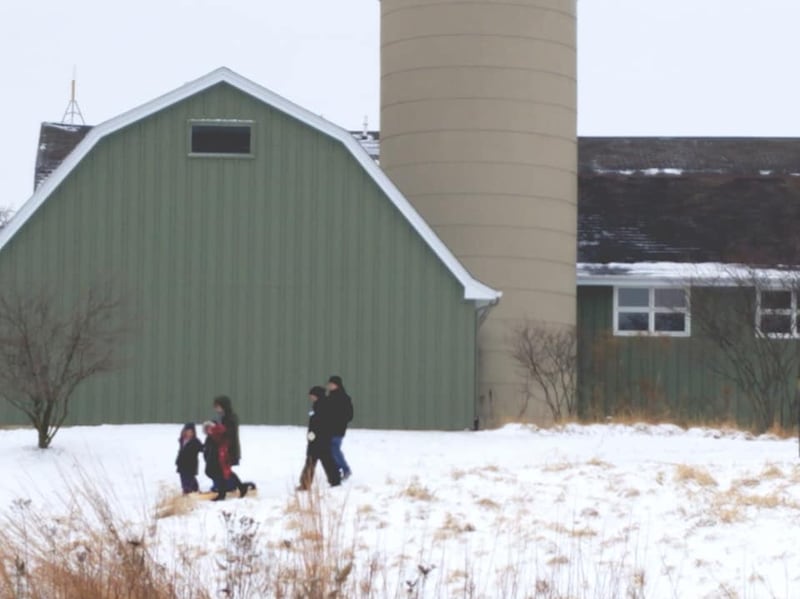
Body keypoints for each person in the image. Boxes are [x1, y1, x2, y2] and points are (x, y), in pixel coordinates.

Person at [206, 395, 251, 501]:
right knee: (222, 471)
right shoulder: (221, 417)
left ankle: (224, 492)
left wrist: (217, 430)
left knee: (222, 471)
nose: (216, 408)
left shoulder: (230, 418)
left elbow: (228, 433)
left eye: (218, 406)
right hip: (221, 448)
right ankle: (238, 487)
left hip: (227, 449)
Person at [297, 386, 341, 491]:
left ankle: (305, 484)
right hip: (322, 439)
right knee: (326, 460)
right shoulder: (321, 405)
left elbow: (317, 425)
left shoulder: (321, 407)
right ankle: (335, 480)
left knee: (311, 462)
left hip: (318, 440)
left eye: (312, 395)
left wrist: (311, 437)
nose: (311, 397)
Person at [327, 375, 353, 480]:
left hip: (338, 428)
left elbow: (349, 415)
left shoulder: (344, 398)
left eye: (332, 384)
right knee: (330, 450)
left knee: (334, 449)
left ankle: (345, 469)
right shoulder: (329, 398)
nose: (330, 386)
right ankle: (337, 470)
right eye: (329, 384)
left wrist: (340, 421)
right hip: (328, 428)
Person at [175, 422, 203, 494]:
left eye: (191, 432)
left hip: (191, 464)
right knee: (184, 479)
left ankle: (191, 490)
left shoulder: (195, 441)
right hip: (182, 464)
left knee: (190, 478)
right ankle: (189, 490)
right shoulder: (182, 440)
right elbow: (181, 452)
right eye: (187, 432)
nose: (189, 434)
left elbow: (203, 448)